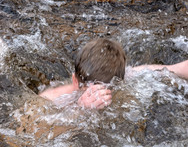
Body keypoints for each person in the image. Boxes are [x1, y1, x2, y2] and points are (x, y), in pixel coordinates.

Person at [40, 38, 188, 109]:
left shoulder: (127, 76)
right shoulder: (53, 99)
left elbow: (176, 69)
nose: (96, 97)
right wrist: (79, 111)